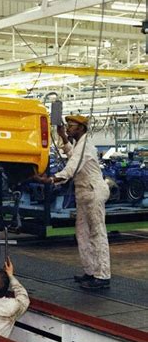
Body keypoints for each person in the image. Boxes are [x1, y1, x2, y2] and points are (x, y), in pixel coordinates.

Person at [39, 115, 111, 290]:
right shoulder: (80, 145)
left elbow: (71, 167)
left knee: (97, 234)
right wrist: (63, 138)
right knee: (82, 234)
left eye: (71, 126)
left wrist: (51, 179)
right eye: (68, 126)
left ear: (81, 128)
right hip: (84, 194)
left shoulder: (85, 145)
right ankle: (90, 271)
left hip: (93, 192)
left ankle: (102, 276)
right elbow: (73, 157)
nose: (69, 128)